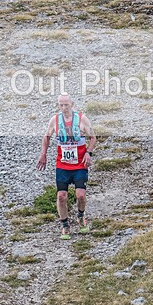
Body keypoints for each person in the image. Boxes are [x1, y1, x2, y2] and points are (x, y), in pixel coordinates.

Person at [36, 94, 97, 240]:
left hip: (80, 164)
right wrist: (43, 154)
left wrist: (88, 152)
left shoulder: (81, 119)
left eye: (66, 105)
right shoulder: (55, 120)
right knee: (61, 196)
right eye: (61, 105)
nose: (63, 108)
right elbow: (47, 137)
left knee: (80, 195)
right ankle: (65, 225)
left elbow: (93, 137)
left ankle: (81, 216)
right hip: (62, 164)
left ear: (72, 104)